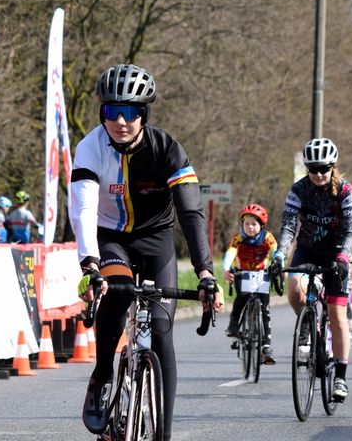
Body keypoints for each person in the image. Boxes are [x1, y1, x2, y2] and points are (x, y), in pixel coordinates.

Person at [68, 63, 219, 441]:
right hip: (111, 238)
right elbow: (83, 208)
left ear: (144, 114)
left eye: (131, 112)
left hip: (156, 239)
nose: (121, 120)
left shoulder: (167, 149)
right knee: (116, 295)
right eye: (111, 111)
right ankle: (102, 374)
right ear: (102, 113)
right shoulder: (89, 147)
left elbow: (190, 212)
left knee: (163, 331)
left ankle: (164, 432)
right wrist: (89, 262)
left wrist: (205, 272)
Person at [272, 137, 352, 403]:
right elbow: (288, 226)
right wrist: (278, 254)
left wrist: (344, 258)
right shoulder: (298, 190)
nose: (319, 174)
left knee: (337, 315)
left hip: (336, 253)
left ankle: (341, 377)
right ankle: (308, 327)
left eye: (323, 168)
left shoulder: (345, 191)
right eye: (313, 169)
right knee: (294, 288)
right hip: (307, 249)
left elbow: (351, 229)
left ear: (333, 166)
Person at [222, 203, 277, 365]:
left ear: (261, 225)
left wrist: (280, 266)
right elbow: (230, 253)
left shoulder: (268, 238)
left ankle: (266, 345)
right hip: (242, 273)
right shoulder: (238, 238)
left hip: (261, 274)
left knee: (265, 309)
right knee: (242, 298)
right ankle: (233, 325)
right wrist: (226, 269)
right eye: (247, 224)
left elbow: (275, 252)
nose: (250, 227)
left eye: (254, 224)